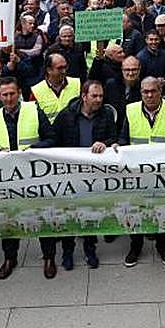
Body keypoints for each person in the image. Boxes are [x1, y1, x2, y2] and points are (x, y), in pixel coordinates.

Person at [37, 79, 118, 269]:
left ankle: (90, 250)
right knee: (69, 215)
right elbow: (54, 139)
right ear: (84, 96)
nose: (98, 100)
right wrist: (33, 150)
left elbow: (114, 137)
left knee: (90, 213)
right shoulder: (67, 115)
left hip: (93, 175)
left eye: (101, 96)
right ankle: (68, 252)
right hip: (70, 176)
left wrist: (105, 143)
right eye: (94, 96)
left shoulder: (106, 114)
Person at [0, 77, 54, 278]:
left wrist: (33, 149)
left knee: (42, 217)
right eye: (5, 95)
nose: (9, 98)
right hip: (8, 180)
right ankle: (10, 258)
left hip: (34, 176)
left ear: (19, 93)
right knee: (9, 219)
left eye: (12, 94)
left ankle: (49, 257)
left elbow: (51, 138)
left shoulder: (34, 111)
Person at [120, 76, 165, 268]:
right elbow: (123, 138)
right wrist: (118, 146)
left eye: (153, 91)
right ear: (140, 93)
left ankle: (162, 246)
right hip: (137, 174)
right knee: (136, 211)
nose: (149, 95)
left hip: (163, 175)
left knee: (161, 211)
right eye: (145, 92)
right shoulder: (131, 110)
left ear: (161, 92)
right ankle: (135, 247)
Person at [30, 52, 80, 121]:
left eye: (65, 67)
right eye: (60, 68)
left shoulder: (77, 84)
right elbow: (32, 117)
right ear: (49, 70)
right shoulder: (36, 91)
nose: (64, 71)